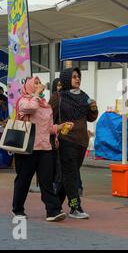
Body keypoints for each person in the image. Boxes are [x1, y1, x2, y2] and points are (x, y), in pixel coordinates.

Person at [12, 77, 74, 221]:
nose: (40, 85)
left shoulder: (44, 104)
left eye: (40, 83)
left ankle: (53, 211)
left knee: (46, 180)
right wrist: (36, 94)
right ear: (29, 86)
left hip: (45, 147)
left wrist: (60, 127)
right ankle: (17, 208)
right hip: (27, 147)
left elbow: (47, 128)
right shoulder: (24, 100)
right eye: (36, 83)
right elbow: (30, 108)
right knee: (23, 180)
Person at [49, 67, 98, 219]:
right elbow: (48, 118)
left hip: (82, 142)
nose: (77, 79)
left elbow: (90, 117)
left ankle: (54, 206)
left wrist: (94, 108)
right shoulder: (58, 97)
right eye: (74, 76)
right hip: (66, 140)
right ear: (66, 79)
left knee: (69, 175)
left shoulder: (84, 96)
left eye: (78, 76)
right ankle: (75, 207)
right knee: (71, 175)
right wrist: (54, 135)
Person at [50, 78, 63, 195]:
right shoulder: (55, 97)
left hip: (63, 133)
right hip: (56, 134)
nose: (60, 88)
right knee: (58, 163)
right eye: (58, 85)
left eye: (61, 85)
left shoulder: (64, 97)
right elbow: (51, 119)